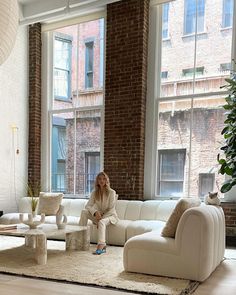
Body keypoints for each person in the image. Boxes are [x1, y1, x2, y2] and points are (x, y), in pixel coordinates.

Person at [79, 171, 118, 255]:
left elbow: (111, 209)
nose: (102, 181)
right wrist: (95, 212)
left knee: (101, 222)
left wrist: (100, 219)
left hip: (110, 216)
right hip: (98, 216)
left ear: (106, 180)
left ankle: (101, 245)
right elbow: (88, 206)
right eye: (99, 179)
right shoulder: (94, 192)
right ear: (97, 181)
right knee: (84, 212)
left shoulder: (112, 192)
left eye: (104, 179)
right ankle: (80, 239)